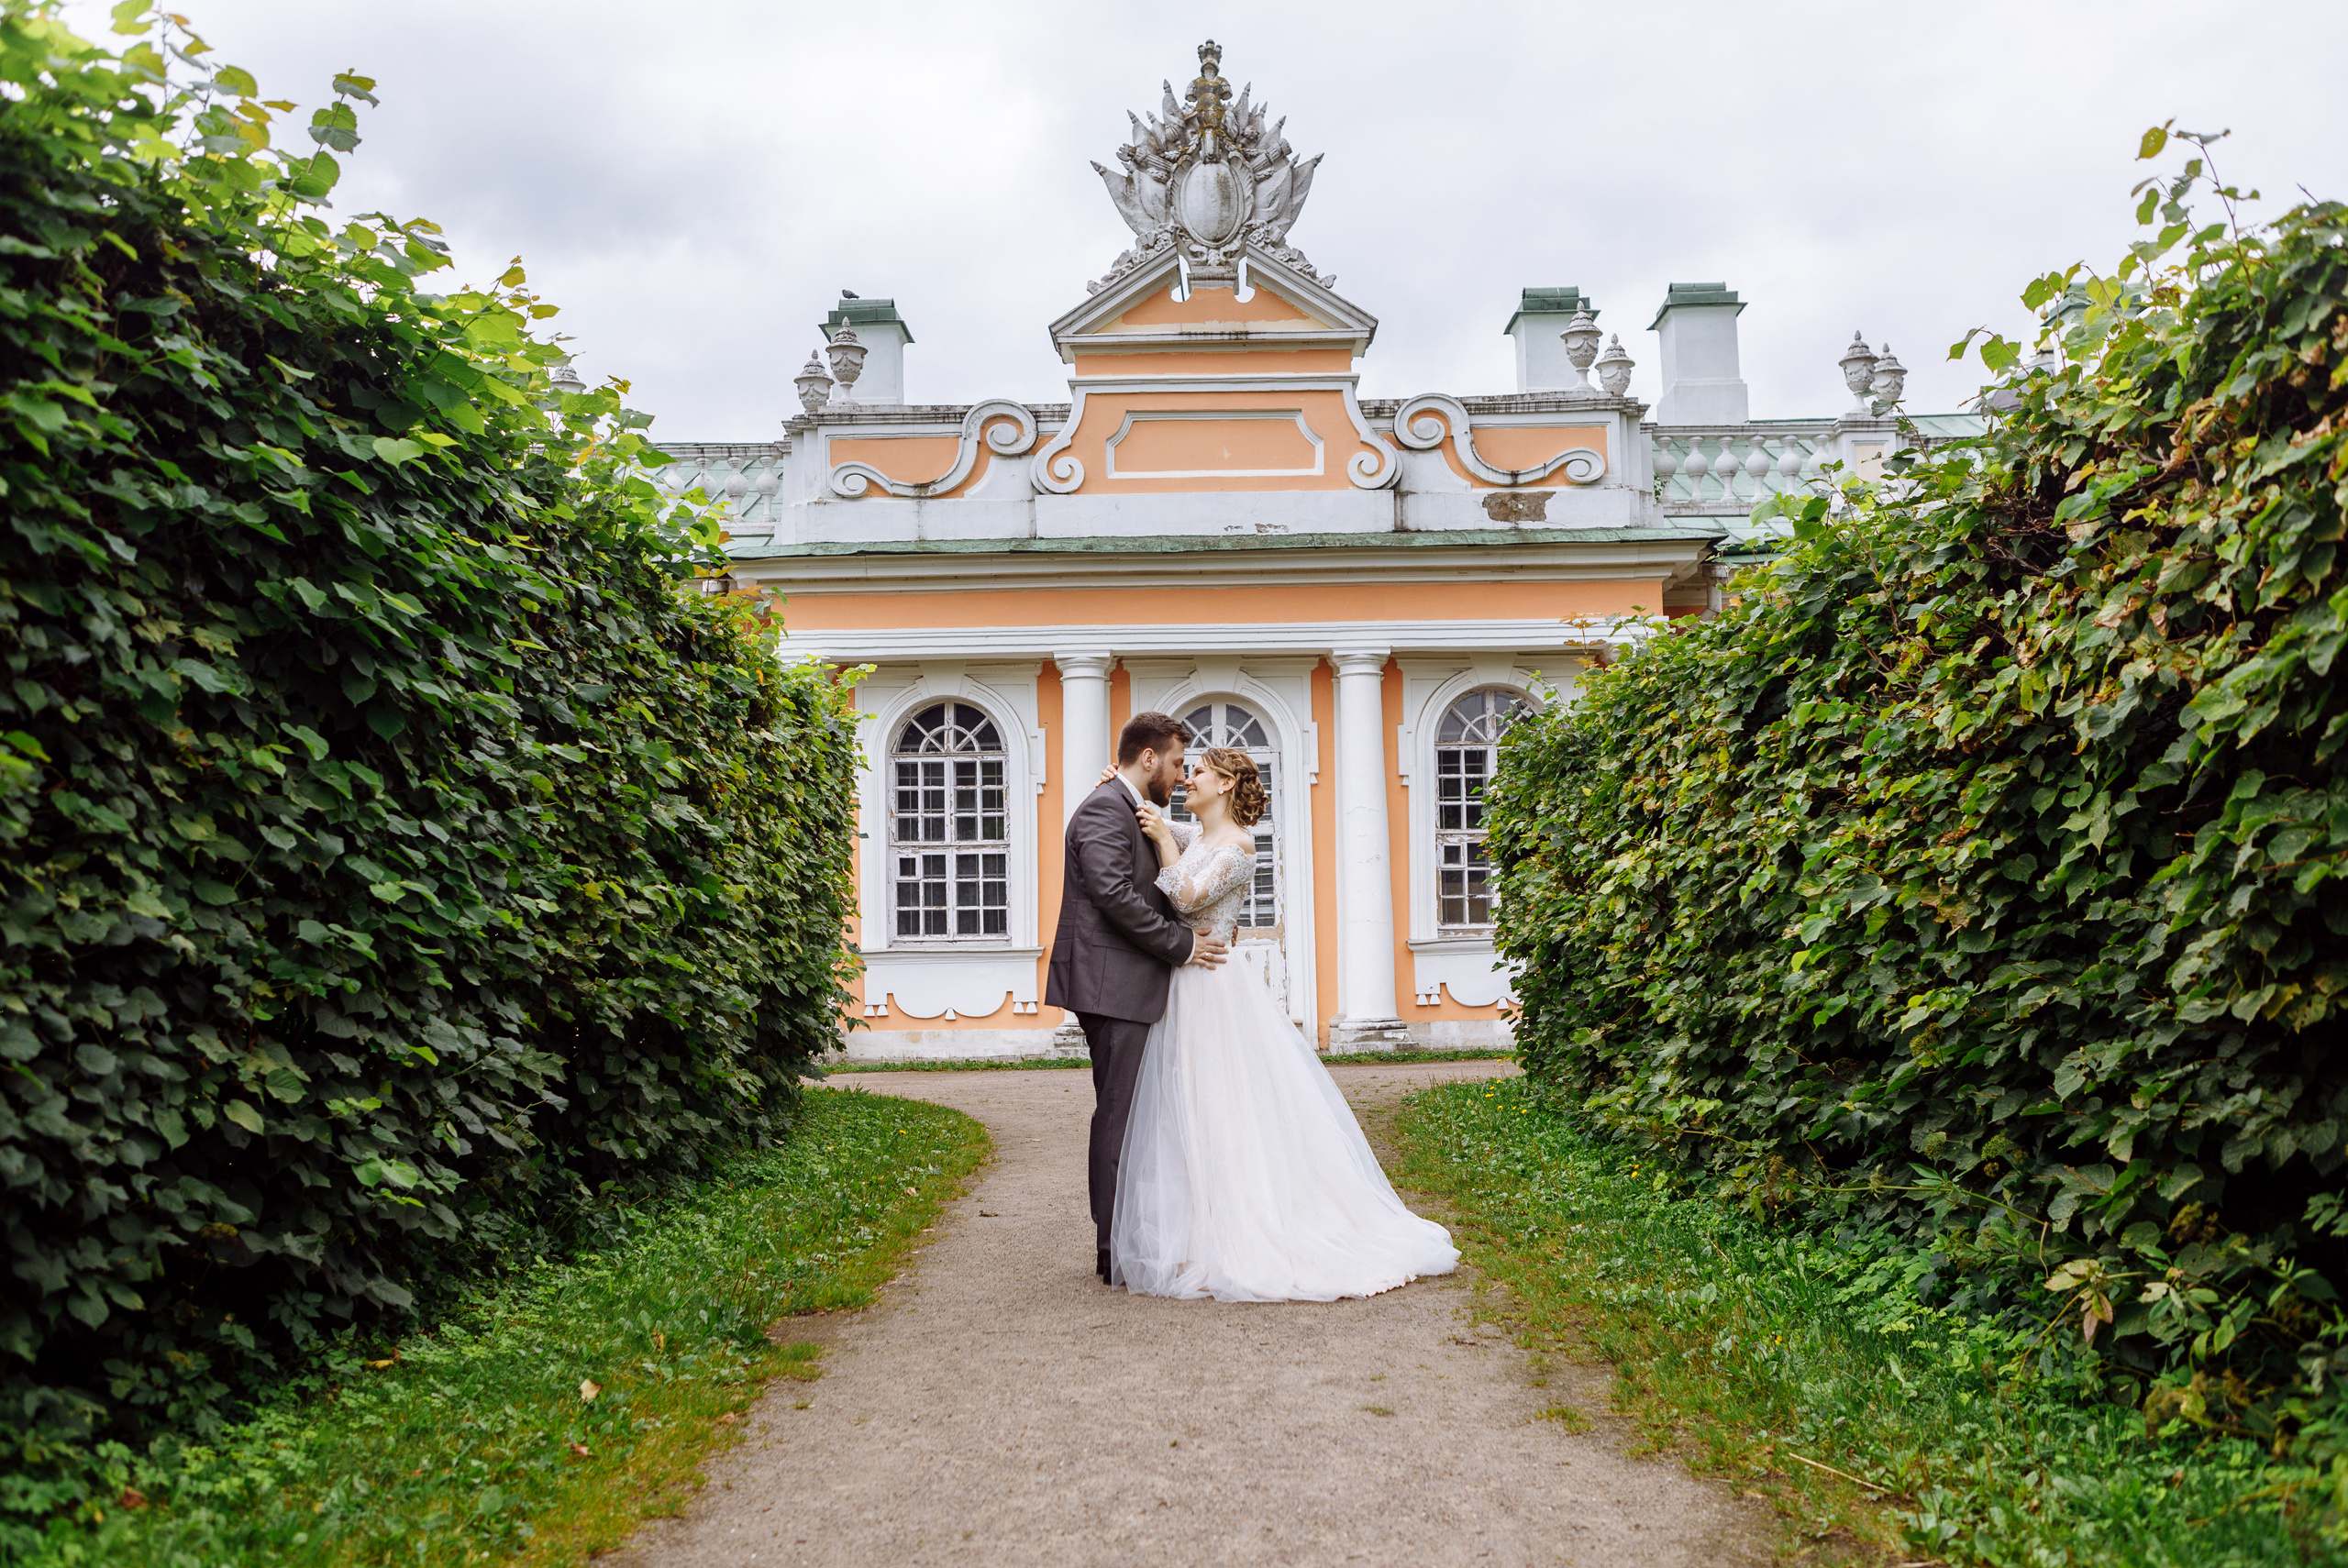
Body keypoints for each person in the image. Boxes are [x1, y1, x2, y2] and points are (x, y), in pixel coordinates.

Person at [1111, 745, 1459, 1301]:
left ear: (1225, 784)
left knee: (1226, 1107)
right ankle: (1200, 1224)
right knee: (1190, 1105)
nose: (1188, 779)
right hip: (1186, 982)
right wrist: (1128, 786)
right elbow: (1162, 825)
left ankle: (1250, 1225)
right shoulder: (1197, 837)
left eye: (1198, 772)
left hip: (1215, 987)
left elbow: (1187, 895)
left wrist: (1158, 840)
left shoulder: (1239, 847)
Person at [1044, 712, 1231, 1283]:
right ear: (1147, 758)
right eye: (1176, 764)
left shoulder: (1126, 806)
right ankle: (1112, 1251)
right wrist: (1182, 945)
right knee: (1120, 1117)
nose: (1179, 777)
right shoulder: (1105, 809)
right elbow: (1111, 893)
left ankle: (1128, 1238)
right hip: (1113, 984)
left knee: (1135, 1115)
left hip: (1128, 982)